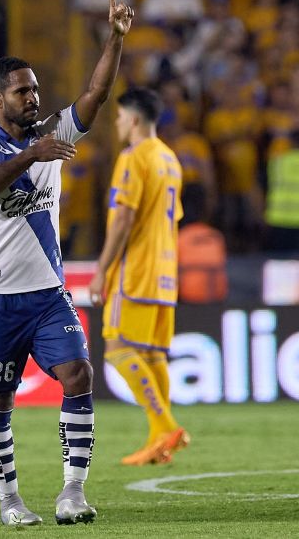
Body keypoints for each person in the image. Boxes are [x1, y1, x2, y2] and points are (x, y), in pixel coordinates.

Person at [0, 0, 133, 526]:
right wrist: (31, 155)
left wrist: (115, 39)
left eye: (35, 90)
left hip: (47, 296)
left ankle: (72, 493)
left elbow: (97, 93)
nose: (33, 98)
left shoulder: (53, 133)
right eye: (21, 92)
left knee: (79, 373)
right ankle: (10, 501)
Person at [88, 88, 190, 466]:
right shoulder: (170, 159)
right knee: (151, 353)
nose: (116, 124)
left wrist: (102, 270)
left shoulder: (133, 158)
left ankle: (164, 426)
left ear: (132, 119)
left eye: (118, 117)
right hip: (165, 270)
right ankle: (157, 439)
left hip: (135, 269)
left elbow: (125, 218)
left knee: (118, 349)